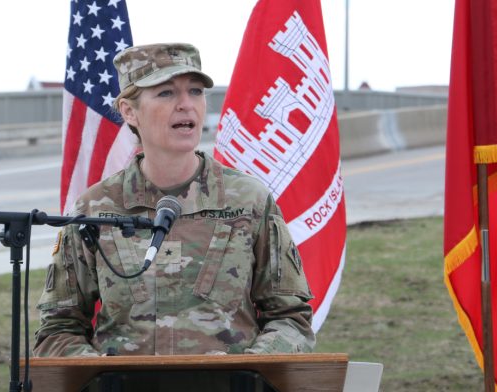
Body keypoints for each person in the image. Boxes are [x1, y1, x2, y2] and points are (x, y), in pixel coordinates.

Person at [33, 43, 315, 357]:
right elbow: (58, 327)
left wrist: (250, 372)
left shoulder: (250, 200)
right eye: (166, 93)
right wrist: (100, 375)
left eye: (195, 91)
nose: (186, 104)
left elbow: (290, 317)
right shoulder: (96, 208)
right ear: (129, 111)